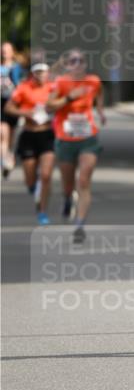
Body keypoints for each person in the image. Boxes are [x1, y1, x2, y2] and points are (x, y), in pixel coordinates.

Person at [47, 50, 105, 243]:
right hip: (65, 138)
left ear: (86, 63)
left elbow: (100, 94)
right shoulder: (62, 83)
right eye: (73, 61)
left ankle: (79, 224)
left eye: (81, 60)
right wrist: (69, 98)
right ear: (68, 65)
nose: (77, 64)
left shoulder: (93, 81)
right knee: (68, 183)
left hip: (88, 136)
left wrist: (100, 111)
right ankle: (66, 198)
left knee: (84, 180)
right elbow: (49, 106)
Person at [4, 62, 56, 224]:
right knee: (30, 179)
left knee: (46, 175)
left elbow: (64, 104)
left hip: (47, 134)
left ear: (48, 74)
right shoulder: (24, 88)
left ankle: (42, 211)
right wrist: (25, 112)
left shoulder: (53, 88)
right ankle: (35, 190)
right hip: (29, 135)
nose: (41, 75)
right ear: (33, 74)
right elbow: (8, 108)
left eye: (43, 72)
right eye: (37, 72)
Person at [1, 41, 25, 177]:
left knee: (11, 136)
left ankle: (9, 157)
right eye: (2, 50)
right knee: (2, 134)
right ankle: (4, 160)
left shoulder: (17, 68)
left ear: (12, 52)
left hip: (14, 104)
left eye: (7, 50)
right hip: (1, 103)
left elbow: (21, 85)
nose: (4, 52)